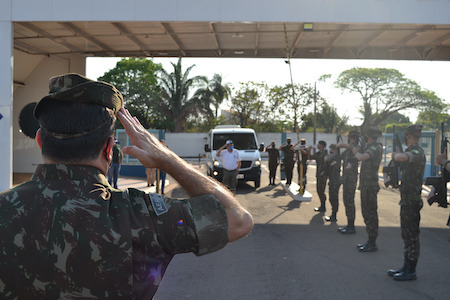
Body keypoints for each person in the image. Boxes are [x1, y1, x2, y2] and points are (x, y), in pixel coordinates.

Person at [0, 73, 253, 299]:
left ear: (40, 140)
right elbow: (237, 219)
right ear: (110, 149)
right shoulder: (139, 215)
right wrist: (167, 158)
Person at [387, 125, 425, 281]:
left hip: (412, 201)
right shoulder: (411, 151)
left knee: (412, 236)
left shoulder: (417, 151)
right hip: (406, 200)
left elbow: (402, 157)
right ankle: (406, 265)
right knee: (406, 234)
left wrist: (396, 155)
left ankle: (411, 270)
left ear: (409, 136)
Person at [353, 127, 383, 252]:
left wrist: (356, 152)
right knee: (366, 213)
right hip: (366, 185)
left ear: (369, 135)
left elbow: (362, 157)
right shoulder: (371, 146)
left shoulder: (375, 147)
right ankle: (370, 240)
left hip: (370, 186)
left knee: (371, 213)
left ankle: (372, 242)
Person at [336, 131, 360, 234]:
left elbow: (352, 148)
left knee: (349, 201)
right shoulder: (348, 151)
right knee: (346, 200)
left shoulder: (355, 147)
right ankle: (349, 224)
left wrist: (342, 145)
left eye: (351, 137)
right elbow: (340, 156)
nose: (350, 139)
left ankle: (351, 226)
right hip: (346, 178)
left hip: (351, 178)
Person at [308, 141, 328, 212]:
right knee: (319, 190)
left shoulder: (326, 153)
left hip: (323, 175)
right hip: (318, 174)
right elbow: (310, 158)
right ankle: (322, 205)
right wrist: (309, 151)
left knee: (321, 191)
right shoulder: (318, 153)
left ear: (322, 145)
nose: (317, 145)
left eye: (318, 144)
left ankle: (323, 206)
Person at [324, 144, 341, 222]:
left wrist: (328, 156)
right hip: (332, 180)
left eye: (331, 149)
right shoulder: (334, 156)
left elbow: (326, 159)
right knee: (332, 198)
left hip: (335, 180)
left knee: (334, 198)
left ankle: (334, 215)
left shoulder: (336, 156)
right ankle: (333, 214)